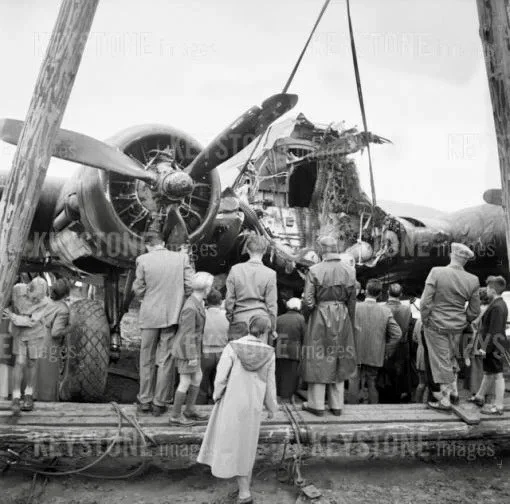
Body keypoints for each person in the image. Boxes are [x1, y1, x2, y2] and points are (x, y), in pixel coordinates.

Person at [197, 315, 277, 504]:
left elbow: (221, 377)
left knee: (230, 443)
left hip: (231, 402)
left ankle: (244, 493)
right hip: (253, 405)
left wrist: (216, 395)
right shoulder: (269, 353)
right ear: (265, 332)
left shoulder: (232, 347)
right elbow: (270, 383)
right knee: (247, 445)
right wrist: (272, 407)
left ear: (250, 328)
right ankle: (244, 490)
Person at [132, 231, 193, 415]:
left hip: (150, 315)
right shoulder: (181, 258)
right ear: (163, 242)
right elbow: (190, 285)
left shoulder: (143, 260)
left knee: (146, 358)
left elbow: (138, 288)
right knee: (166, 359)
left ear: (147, 244)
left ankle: (144, 400)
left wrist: (147, 298)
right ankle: (159, 403)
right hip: (171, 316)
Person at [301, 235, 357, 416]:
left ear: (321, 250)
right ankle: (336, 405)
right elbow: (352, 301)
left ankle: (316, 405)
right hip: (343, 316)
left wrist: (308, 317)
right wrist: (350, 320)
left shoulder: (314, 270)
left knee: (317, 357)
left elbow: (308, 301)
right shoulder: (350, 271)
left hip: (320, 315)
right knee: (340, 356)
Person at [420, 242, 480, 411]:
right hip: (457, 327)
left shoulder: (436, 272)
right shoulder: (473, 280)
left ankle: (444, 400)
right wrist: (463, 320)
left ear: (452, 255)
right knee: (451, 359)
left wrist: (426, 319)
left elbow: (425, 301)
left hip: (436, 325)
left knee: (441, 361)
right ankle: (453, 393)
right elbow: (474, 310)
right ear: (465, 260)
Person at [170, 272, 214, 426]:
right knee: (185, 381)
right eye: (210, 286)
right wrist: (191, 356)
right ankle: (175, 416)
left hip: (193, 348)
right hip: (187, 350)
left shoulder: (196, 302)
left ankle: (189, 410)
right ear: (206, 288)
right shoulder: (191, 307)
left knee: (197, 377)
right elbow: (187, 334)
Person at [3, 277, 50, 414]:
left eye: (39, 298)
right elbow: (8, 300)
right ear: (28, 289)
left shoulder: (45, 302)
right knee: (19, 362)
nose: (37, 300)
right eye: (34, 298)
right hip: (19, 333)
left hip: (35, 333)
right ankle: (16, 397)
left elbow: (31, 321)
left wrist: (12, 316)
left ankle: (28, 394)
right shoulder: (17, 289)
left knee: (32, 363)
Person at [354, 279, 402, 404]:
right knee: (372, 382)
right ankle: (373, 412)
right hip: (375, 354)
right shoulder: (385, 311)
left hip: (355, 351)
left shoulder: (355, 308)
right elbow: (397, 334)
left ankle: (351, 413)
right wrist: (386, 350)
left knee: (354, 381)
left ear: (365, 292)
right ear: (380, 294)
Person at [225, 234, 277, 341]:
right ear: (264, 251)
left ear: (248, 250)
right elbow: (272, 305)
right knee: (258, 356)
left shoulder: (235, 270)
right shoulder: (270, 274)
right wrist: (273, 328)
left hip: (239, 320)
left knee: (237, 355)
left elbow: (229, 300)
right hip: (261, 321)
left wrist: (231, 318)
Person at [469, 276, 508, 415]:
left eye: (488, 288)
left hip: (494, 345)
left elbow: (494, 331)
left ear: (493, 289)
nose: (486, 291)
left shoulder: (497, 307)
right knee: (489, 373)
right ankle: (479, 396)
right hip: (495, 345)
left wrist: (485, 348)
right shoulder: (498, 304)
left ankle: (498, 406)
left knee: (497, 375)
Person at [34, 279, 70, 402]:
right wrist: (70, 328)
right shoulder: (63, 309)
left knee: (35, 371)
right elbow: (56, 333)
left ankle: (31, 397)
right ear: (65, 294)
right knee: (47, 375)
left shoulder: (42, 301)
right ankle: (46, 403)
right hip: (48, 343)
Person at [197, 288, 229, 405]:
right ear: (221, 302)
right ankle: (218, 407)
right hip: (222, 353)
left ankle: (199, 407)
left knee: (201, 385)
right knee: (220, 384)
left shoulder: (202, 314)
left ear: (206, 301)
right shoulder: (227, 315)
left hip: (205, 352)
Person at [383, 283, 412, 402]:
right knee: (401, 373)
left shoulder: (383, 308)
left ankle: (386, 396)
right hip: (402, 345)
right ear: (401, 294)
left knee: (386, 372)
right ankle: (400, 396)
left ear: (387, 293)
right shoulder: (406, 309)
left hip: (386, 344)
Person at [275, 297, 306, 400]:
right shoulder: (302, 319)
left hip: (279, 350)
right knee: (292, 375)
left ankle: (279, 395)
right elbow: (304, 336)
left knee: (280, 373)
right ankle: (289, 396)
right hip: (294, 352)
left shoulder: (278, 318)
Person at [464, 287, 491, 397]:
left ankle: (477, 393)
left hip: (477, 340)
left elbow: (471, 325)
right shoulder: (490, 308)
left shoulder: (476, 310)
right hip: (488, 341)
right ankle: (486, 392)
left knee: (476, 368)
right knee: (486, 368)